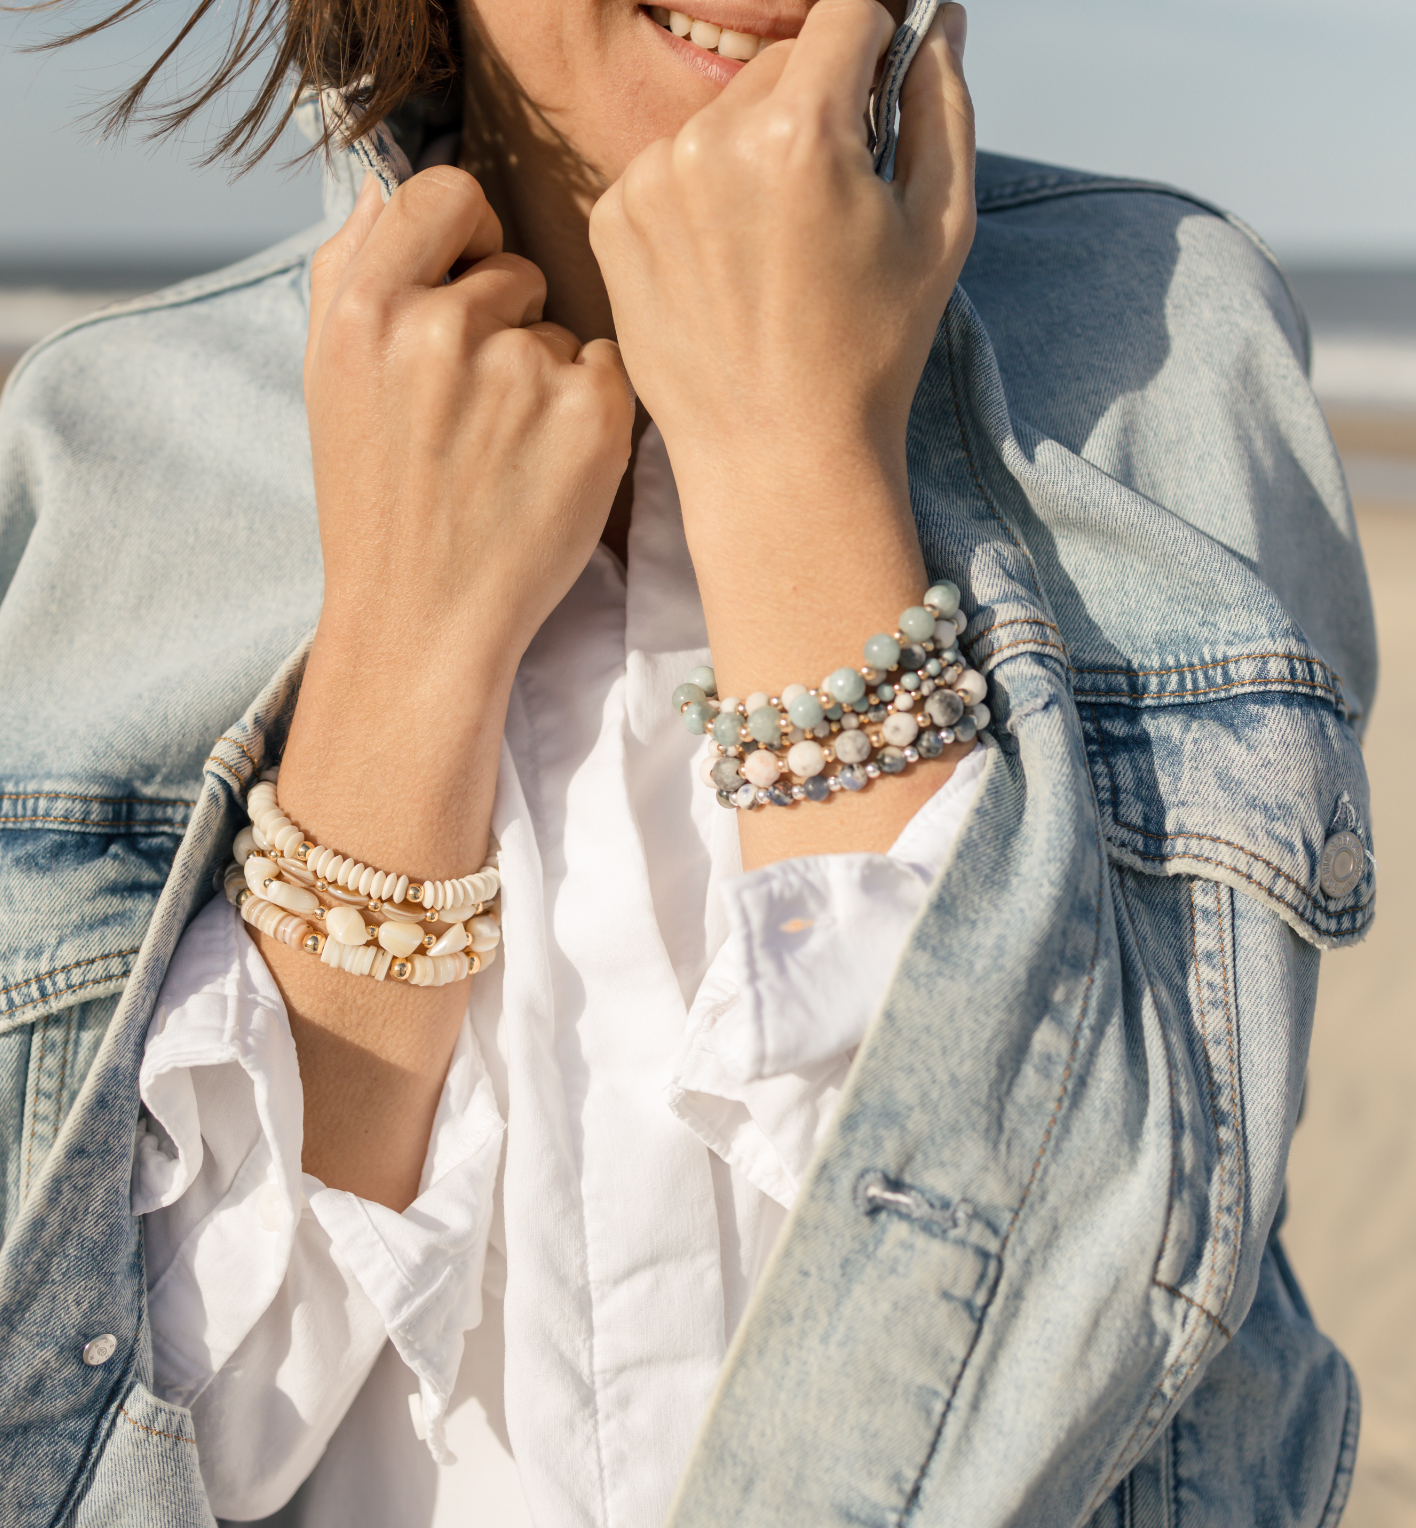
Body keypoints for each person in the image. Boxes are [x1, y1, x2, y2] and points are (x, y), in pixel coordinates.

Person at [0, 0, 1377, 1519]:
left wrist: (795, 463)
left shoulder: (1158, 342)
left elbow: (1076, 1354)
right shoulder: (115, 449)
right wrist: (400, 659)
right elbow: (108, 1453)